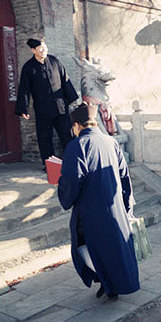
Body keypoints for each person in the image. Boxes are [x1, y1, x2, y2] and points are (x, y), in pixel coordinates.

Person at [58, 103, 139, 299]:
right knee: (112, 248)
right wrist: (127, 206)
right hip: (115, 206)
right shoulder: (110, 142)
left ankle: (106, 281)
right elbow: (124, 176)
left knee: (83, 247)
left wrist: (60, 184)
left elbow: (71, 180)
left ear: (77, 125)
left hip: (91, 210)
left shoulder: (77, 145)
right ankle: (109, 284)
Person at [15, 38, 79, 170]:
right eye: (40, 48)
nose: (44, 50)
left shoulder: (54, 61)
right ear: (33, 50)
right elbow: (24, 89)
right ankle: (49, 166)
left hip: (60, 107)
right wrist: (23, 108)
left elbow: (64, 79)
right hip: (42, 109)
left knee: (67, 135)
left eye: (44, 47)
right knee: (45, 138)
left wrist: (72, 98)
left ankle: (72, 161)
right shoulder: (29, 67)